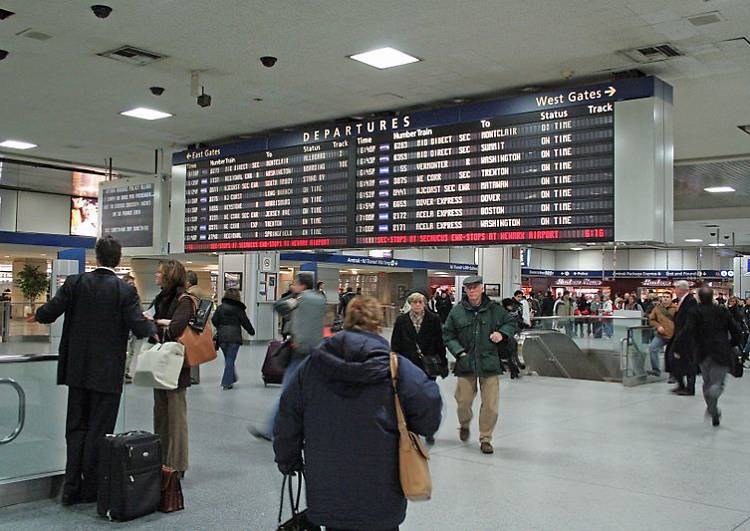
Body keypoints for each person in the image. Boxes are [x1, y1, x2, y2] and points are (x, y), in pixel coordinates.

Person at [274, 296, 441, 531]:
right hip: (383, 481)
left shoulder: (312, 366)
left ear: (348, 321)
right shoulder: (396, 368)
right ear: (377, 324)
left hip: (328, 481)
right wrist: (416, 428)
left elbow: (288, 416)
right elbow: (429, 406)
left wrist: (287, 459)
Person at [31, 236, 155, 505]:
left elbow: (48, 313)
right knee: (100, 431)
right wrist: (155, 326)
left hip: (76, 370)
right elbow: (140, 327)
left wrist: (37, 314)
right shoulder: (125, 291)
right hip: (107, 374)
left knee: (75, 428)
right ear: (118, 259)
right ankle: (92, 489)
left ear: (96, 257)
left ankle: (71, 488)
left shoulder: (75, 284)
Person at [443, 275, 517, 454]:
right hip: (466, 362)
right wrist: (459, 351)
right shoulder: (457, 311)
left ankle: (485, 438)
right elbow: (447, 334)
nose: (472, 291)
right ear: (465, 290)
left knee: (491, 405)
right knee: (463, 402)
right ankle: (464, 424)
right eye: (469, 288)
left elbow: (511, 322)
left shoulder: (495, 310)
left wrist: (502, 334)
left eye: (475, 287)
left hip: (489, 362)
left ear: (482, 288)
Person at [251, 272, 326, 441]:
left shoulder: (300, 299)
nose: (293, 286)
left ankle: (270, 429)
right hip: (316, 351)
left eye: (294, 284)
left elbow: (280, 307)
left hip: (299, 352)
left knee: (287, 393)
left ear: (301, 285)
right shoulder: (321, 299)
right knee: (311, 393)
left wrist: (294, 295)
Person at [150, 259, 195, 476]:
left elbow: (177, 326)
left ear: (169, 276)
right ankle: (161, 459)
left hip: (176, 365)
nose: (156, 276)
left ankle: (177, 464)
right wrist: (161, 322)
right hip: (160, 361)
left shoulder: (183, 300)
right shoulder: (161, 299)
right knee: (160, 414)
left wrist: (159, 323)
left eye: (159, 273)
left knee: (176, 416)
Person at [682, 288, 743, 426]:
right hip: (721, 350)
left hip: (703, 352)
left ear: (699, 297)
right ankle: (715, 391)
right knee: (718, 381)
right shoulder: (722, 311)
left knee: (706, 381)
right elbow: (736, 330)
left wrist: (681, 347)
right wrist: (733, 343)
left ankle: (712, 409)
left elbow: (688, 331)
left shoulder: (694, 312)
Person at [391, 292, 448, 432]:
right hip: (407, 365)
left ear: (425, 303)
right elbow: (395, 343)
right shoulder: (401, 320)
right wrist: (395, 363)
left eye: (420, 302)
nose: (417, 305)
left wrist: (443, 363)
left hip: (428, 364)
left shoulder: (434, 319)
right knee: (408, 396)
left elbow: (439, 342)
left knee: (428, 397)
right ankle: (410, 426)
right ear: (410, 304)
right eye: (414, 302)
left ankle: (429, 426)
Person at [211, 288, 255, 390]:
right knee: (230, 359)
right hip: (234, 338)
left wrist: (220, 326)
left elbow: (214, 320)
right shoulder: (239, 309)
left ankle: (232, 378)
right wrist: (251, 331)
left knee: (228, 359)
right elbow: (245, 322)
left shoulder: (220, 308)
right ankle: (226, 382)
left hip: (222, 337)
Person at [667, 280, 698, 396]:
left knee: (689, 362)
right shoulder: (682, 301)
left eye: (676, 288)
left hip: (687, 338)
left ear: (682, 289)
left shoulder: (690, 301)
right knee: (674, 359)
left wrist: (682, 335)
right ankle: (681, 384)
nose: (674, 290)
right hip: (679, 335)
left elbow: (689, 322)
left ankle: (690, 388)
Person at [185, 270, 208, 385]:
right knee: (194, 351)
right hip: (199, 325)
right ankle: (194, 376)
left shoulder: (191, 294)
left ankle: (192, 377)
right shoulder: (200, 291)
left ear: (188, 282)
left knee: (191, 351)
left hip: (192, 325)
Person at [647, 295, 676, 376]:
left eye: (667, 297)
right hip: (661, 335)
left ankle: (673, 374)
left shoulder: (676, 308)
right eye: (663, 297)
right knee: (652, 348)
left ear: (671, 299)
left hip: (673, 336)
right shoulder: (657, 308)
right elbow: (651, 319)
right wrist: (658, 326)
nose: (665, 298)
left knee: (671, 355)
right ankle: (656, 369)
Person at [122, 273, 141, 384]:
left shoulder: (135, 297)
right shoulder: (123, 297)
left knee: (131, 351)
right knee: (126, 351)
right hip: (126, 327)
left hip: (132, 328)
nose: (132, 286)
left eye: (133, 284)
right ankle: (122, 373)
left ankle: (126, 371)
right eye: (130, 284)